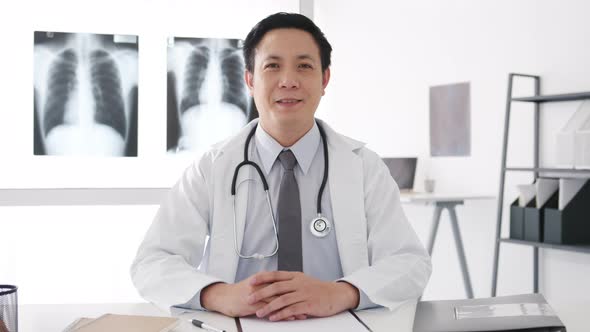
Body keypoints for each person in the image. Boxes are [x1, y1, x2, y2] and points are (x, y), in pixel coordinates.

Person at [131, 12, 431, 322]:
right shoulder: (211, 168)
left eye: (304, 66)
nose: (288, 81)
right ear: (250, 79)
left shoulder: (364, 167)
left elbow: (409, 262)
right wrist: (218, 294)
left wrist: (341, 293)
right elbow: (152, 263)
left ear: (325, 79)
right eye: (272, 66)